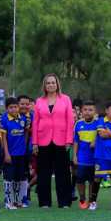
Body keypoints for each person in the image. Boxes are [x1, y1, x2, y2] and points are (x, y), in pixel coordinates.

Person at [32, 74, 74, 208]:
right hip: (43, 140)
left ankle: (65, 202)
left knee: (63, 173)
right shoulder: (39, 101)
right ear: (44, 86)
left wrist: (69, 140)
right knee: (43, 173)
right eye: (48, 83)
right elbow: (35, 122)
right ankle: (44, 202)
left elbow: (70, 121)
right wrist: (35, 142)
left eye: (53, 83)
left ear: (57, 84)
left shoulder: (66, 99)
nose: (51, 85)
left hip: (61, 140)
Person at [0, 97, 30, 210]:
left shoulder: (23, 119)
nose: (14, 109)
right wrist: (6, 154)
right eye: (11, 107)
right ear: (7, 108)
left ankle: (19, 201)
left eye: (15, 107)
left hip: (21, 154)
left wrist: (24, 146)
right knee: (9, 178)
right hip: (10, 154)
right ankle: (8, 201)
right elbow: (3, 138)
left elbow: (26, 133)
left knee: (20, 177)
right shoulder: (4, 120)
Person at [92, 102, 111, 210]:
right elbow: (102, 134)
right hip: (101, 155)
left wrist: (109, 132)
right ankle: (93, 202)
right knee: (97, 179)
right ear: (106, 111)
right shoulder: (100, 121)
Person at [73, 101, 99, 210]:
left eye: (90, 110)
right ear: (81, 111)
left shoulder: (98, 123)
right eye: (85, 110)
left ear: (95, 112)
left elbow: (102, 137)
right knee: (80, 180)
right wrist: (74, 155)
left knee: (93, 180)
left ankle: (91, 200)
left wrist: (96, 141)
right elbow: (76, 142)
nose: (87, 112)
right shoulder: (78, 124)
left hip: (95, 158)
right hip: (82, 158)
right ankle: (82, 199)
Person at [18, 95, 34, 207]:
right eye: (22, 104)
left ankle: (26, 195)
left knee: (26, 173)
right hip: (15, 149)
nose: (24, 106)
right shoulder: (13, 116)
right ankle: (15, 195)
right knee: (15, 173)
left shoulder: (32, 116)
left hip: (28, 149)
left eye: (27, 104)